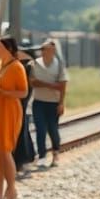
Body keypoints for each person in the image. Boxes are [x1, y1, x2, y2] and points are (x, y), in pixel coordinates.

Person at [0, 36, 27, 199]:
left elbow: (23, 92)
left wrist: (4, 92)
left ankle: (12, 189)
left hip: (9, 111)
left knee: (5, 149)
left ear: (8, 48)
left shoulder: (17, 67)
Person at [30, 38, 68, 167]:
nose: (42, 51)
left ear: (52, 50)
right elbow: (33, 82)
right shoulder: (35, 63)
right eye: (42, 49)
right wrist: (51, 85)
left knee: (53, 129)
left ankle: (56, 153)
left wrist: (61, 103)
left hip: (53, 102)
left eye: (45, 49)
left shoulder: (59, 65)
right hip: (39, 102)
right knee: (40, 130)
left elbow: (62, 85)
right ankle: (41, 156)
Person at [12, 41, 38, 178]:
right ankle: (24, 159)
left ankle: (22, 160)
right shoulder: (19, 65)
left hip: (22, 102)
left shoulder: (29, 66)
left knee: (22, 131)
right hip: (18, 103)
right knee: (22, 130)